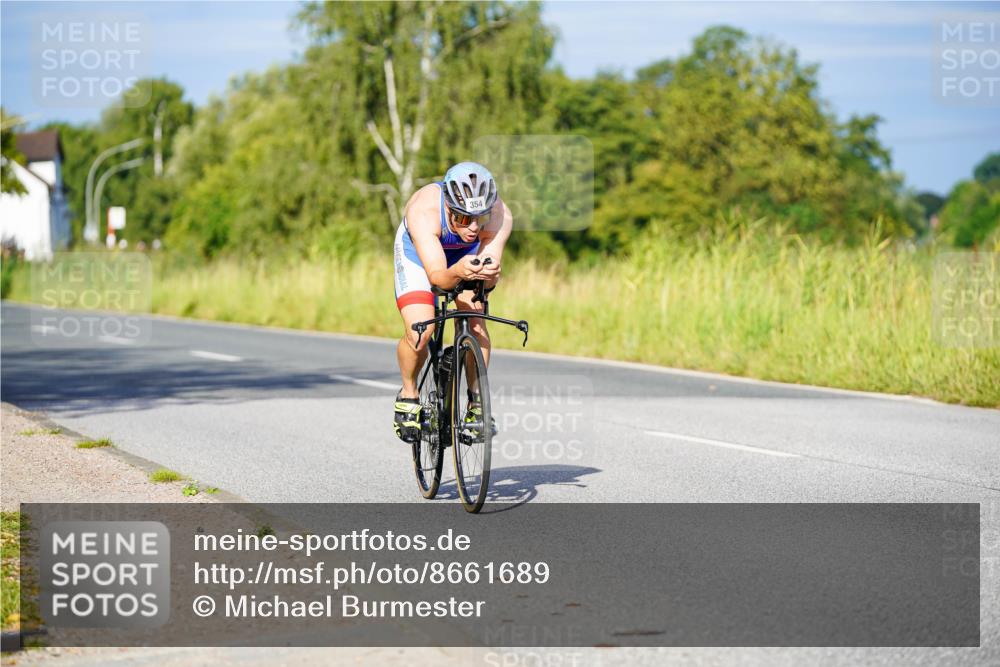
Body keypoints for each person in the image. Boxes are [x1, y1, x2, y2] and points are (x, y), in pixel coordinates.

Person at [392, 162, 512, 443]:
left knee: (477, 322)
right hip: (420, 257)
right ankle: (409, 393)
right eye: (461, 218)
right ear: (448, 206)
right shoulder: (424, 210)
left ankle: (476, 402)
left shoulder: (500, 214)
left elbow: (489, 278)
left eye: (479, 219)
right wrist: (458, 271)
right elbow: (437, 278)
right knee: (420, 331)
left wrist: (487, 276)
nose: (472, 227)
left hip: (465, 257)